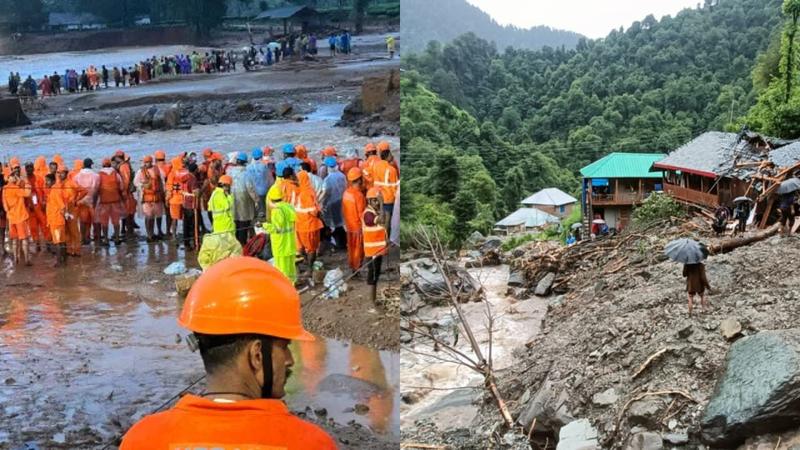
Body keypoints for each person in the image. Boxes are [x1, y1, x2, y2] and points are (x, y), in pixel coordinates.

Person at [120, 257, 336, 450]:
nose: (289, 359)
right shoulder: (311, 443)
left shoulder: (141, 439)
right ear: (257, 355)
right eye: (285, 346)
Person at [264, 173, 298, 283]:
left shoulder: (277, 211)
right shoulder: (288, 207)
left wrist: (264, 226)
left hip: (281, 244)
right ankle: (293, 283)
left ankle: (285, 285)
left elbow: (276, 229)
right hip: (290, 243)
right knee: (290, 266)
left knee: (282, 268)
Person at [2, 159, 32, 266]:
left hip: (11, 218)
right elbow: (28, 193)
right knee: (24, 239)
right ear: (8, 178)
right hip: (20, 217)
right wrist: (27, 183)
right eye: (12, 175)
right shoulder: (16, 188)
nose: (14, 176)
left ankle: (16, 259)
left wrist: (8, 212)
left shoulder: (4, 189)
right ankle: (27, 260)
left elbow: (5, 205)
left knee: (14, 240)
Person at [294, 171, 323, 279]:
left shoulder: (297, 191)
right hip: (309, 225)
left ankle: (307, 266)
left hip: (299, 225)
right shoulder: (308, 192)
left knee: (301, 248)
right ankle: (310, 269)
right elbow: (313, 211)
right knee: (311, 249)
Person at [363, 187, 387, 303]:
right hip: (372, 251)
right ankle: (372, 301)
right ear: (369, 201)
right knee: (372, 276)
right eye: (375, 200)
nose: (377, 203)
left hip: (378, 250)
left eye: (377, 200)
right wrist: (382, 203)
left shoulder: (374, 212)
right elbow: (382, 220)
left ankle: (374, 299)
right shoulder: (368, 214)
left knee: (376, 275)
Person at [229, 152, 258, 246]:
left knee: (236, 221)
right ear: (245, 162)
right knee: (244, 222)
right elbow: (250, 188)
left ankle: (236, 243)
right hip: (244, 199)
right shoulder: (246, 173)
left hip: (233, 198)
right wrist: (256, 200)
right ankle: (243, 243)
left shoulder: (230, 172)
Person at [134, 155, 166, 242]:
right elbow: (136, 183)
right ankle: (149, 235)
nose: (146, 164)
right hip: (146, 197)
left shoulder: (158, 170)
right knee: (148, 217)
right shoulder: (140, 172)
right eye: (145, 162)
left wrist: (164, 193)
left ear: (151, 162)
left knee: (155, 216)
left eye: (148, 162)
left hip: (157, 197)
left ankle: (154, 233)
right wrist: (143, 185)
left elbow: (162, 181)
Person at [372, 142, 399, 238]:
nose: (392, 156)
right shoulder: (392, 170)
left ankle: (381, 236)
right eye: (391, 154)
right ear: (387, 156)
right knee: (388, 219)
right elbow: (396, 186)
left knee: (381, 218)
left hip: (378, 196)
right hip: (389, 197)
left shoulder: (376, 166)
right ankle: (386, 238)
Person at [342, 167, 366, 273]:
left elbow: (343, 210)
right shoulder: (359, 196)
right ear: (359, 179)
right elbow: (362, 214)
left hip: (349, 226)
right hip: (357, 227)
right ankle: (357, 269)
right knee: (358, 249)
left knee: (351, 248)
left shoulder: (346, 193)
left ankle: (352, 266)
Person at [96, 158, 124, 246]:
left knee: (104, 222)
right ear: (110, 165)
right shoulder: (116, 174)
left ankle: (106, 239)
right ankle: (116, 238)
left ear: (103, 165)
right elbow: (121, 187)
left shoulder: (99, 175)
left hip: (104, 202)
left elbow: (96, 188)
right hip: (115, 201)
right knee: (116, 221)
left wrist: (94, 201)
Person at [322, 156, 346, 250]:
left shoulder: (327, 179)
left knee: (335, 225)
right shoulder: (342, 175)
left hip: (333, 204)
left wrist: (322, 204)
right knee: (341, 224)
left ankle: (340, 244)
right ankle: (343, 243)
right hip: (342, 201)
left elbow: (326, 193)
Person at [73, 158, 100, 245]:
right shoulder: (96, 176)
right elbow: (96, 190)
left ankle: (83, 238)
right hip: (91, 199)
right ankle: (96, 238)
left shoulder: (77, 176)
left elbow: (74, 189)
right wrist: (95, 202)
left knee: (83, 220)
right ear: (91, 165)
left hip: (81, 200)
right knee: (95, 220)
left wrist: (76, 200)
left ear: (83, 165)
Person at [45, 173, 67, 267]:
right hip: (57, 220)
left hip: (56, 221)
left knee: (58, 242)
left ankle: (59, 262)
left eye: (48, 181)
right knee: (61, 241)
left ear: (53, 181)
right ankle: (63, 259)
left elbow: (62, 206)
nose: (46, 183)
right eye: (46, 181)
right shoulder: (56, 190)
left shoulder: (55, 191)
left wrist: (64, 215)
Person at [247, 147, 273, 220]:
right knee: (265, 207)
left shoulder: (249, 167)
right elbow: (269, 178)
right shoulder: (264, 166)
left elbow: (248, 181)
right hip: (264, 190)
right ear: (261, 156)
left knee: (257, 207)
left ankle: (259, 219)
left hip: (254, 191)